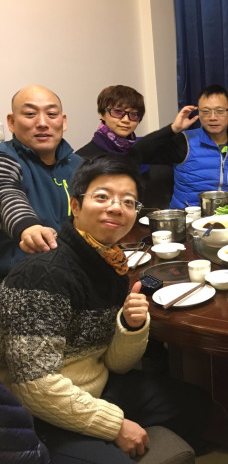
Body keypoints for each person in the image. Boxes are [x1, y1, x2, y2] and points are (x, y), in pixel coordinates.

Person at [0, 155, 212, 462]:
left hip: (96, 387)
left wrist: (131, 326)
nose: (116, 207)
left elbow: (115, 363)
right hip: (38, 414)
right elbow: (33, 385)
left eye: (128, 202)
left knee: (195, 404)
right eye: (102, 197)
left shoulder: (111, 262)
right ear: (75, 205)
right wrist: (114, 426)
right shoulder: (43, 274)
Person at [0, 85, 82, 278]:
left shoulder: (79, 165)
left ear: (63, 121)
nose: (43, 123)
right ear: (11, 122)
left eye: (51, 114)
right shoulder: (5, 159)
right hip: (20, 279)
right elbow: (6, 193)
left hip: (74, 273)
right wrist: (29, 228)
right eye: (30, 114)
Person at [132, 84, 228, 208]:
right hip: (189, 216)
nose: (212, 117)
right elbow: (138, 152)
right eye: (205, 111)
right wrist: (173, 128)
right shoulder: (185, 141)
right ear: (198, 113)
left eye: (219, 111)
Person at [76, 85, 173, 208]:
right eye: (118, 112)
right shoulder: (82, 159)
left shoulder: (138, 151)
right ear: (102, 113)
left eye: (133, 114)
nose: (126, 120)